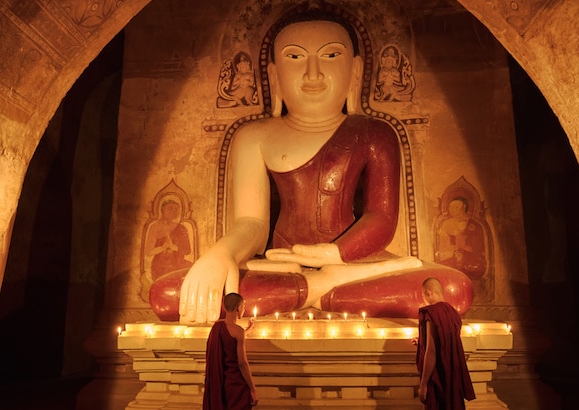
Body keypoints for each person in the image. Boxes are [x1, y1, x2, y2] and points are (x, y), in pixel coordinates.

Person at [150, 4, 473, 323]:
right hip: (282, 266)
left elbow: (381, 218)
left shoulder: (375, 133)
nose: (313, 73)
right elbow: (251, 222)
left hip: (355, 265)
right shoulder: (254, 137)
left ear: (355, 70)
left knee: (451, 290)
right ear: (274, 74)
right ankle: (322, 289)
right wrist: (221, 255)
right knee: (168, 295)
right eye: (295, 57)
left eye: (331, 56)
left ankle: (311, 290)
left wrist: (335, 255)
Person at [415, 277, 475, 409]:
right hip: (453, 374)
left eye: (423, 294)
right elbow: (445, 339)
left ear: (429, 292)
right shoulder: (453, 312)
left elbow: (432, 350)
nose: (423, 299)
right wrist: (421, 342)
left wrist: (423, 384)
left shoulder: (432, 312)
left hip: (438, 376)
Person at [203, 293, 258, 409]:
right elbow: (242, 363)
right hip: (236, 384)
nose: (244, 309)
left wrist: (247, 330)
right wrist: (253, 389)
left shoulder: (216, 327)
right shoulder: (238, 331)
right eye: (243, 306)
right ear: (238, 307)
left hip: (221, 382)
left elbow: (231, 338)